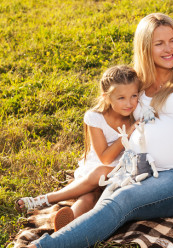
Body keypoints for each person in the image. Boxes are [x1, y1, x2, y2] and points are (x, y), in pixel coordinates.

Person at [27, 13, 173, 248]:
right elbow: (109, 109)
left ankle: (43, 246)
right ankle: (73, 226)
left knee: (123, 199)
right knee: (105, 198)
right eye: (159, 43)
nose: (169, 49)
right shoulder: (137, 84)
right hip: (136, 169)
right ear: (145, 48)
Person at [15, 65, 140, 231]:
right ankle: (52, 202)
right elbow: (105, 158)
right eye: (121, 98)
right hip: (96, 172)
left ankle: (67, 227)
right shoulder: (95, 117)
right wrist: (127, 135)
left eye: (134, 96)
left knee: (93, 196)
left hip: (122, 173)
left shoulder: (136, 113)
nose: (130, 103)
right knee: (95, 185)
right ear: (106, 97)